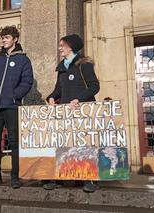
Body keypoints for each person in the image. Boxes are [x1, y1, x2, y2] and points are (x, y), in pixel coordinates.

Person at [45, 34, 100, 192]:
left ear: (71, 46)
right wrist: (51, 98)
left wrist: (78, 99)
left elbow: (94, 86)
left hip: (82, 111)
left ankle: (88, 180)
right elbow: (58, 90)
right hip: (65, 112)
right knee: (64, 144)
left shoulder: (84, 64)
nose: (59, 48)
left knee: (83, 145)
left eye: (62, 45)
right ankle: (60, 177)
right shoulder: (62, 67)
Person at [0, 26, 34, 189]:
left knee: (14, 142)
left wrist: (14, 96)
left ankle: (15, 176)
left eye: (7, 37)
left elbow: (27, 81)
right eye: (3, 37)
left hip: (12, 107)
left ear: (15, 39)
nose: (4, 40)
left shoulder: (23, 60)